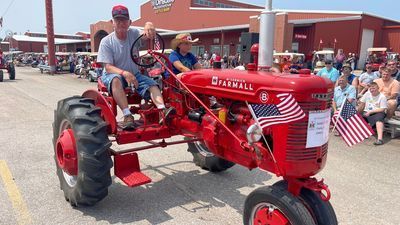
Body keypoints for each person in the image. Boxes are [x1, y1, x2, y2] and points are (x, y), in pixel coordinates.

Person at [97, 4, 174, 129]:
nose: (121, 23)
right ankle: (127, 115)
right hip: (114, 74)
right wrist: (125, 73)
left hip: (134, 73)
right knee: (116, 80)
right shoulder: (106, 41)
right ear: (112, 22)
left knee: (153, 84)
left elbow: (147, 35)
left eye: (124, 20)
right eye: (118, 20)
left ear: (129, 22)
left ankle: (162, 110)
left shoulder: (133, 34)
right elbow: (108, 67)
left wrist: (149, 25)